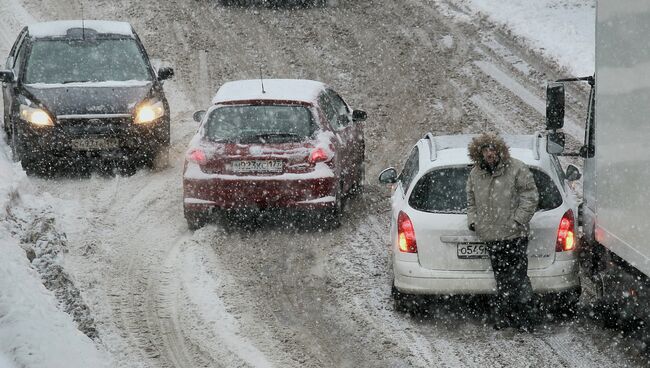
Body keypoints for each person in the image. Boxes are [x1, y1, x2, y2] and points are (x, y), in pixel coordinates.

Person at [466, 133, 539, 332]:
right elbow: (471, 201)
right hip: (491, 236)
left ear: (500, 151)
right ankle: (506, 317)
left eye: (493, 149)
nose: (490, 154)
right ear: (479, 152)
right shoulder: (475, 174)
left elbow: (530, 196)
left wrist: (517, 221)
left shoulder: (516, 168)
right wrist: (473, 221)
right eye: (485, 150)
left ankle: (526, 319)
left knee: (519, 278)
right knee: (502, 279)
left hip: (515, 236)